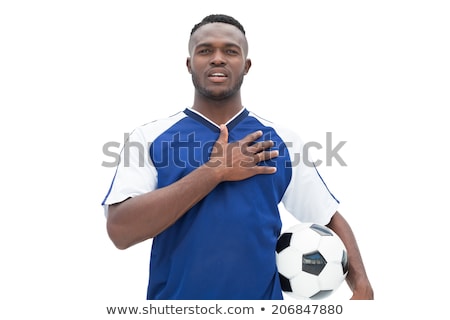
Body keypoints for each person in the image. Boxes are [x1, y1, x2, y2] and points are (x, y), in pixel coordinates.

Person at [102, 14, 374, 300]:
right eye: (205, 50)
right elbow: (121, 230)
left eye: (230, 51)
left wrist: (363, 286)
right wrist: (214, 171)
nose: (217, 58)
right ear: (189, 64)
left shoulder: (281, 140)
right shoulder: (149, 138)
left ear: (246, 66)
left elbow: (326, 217)